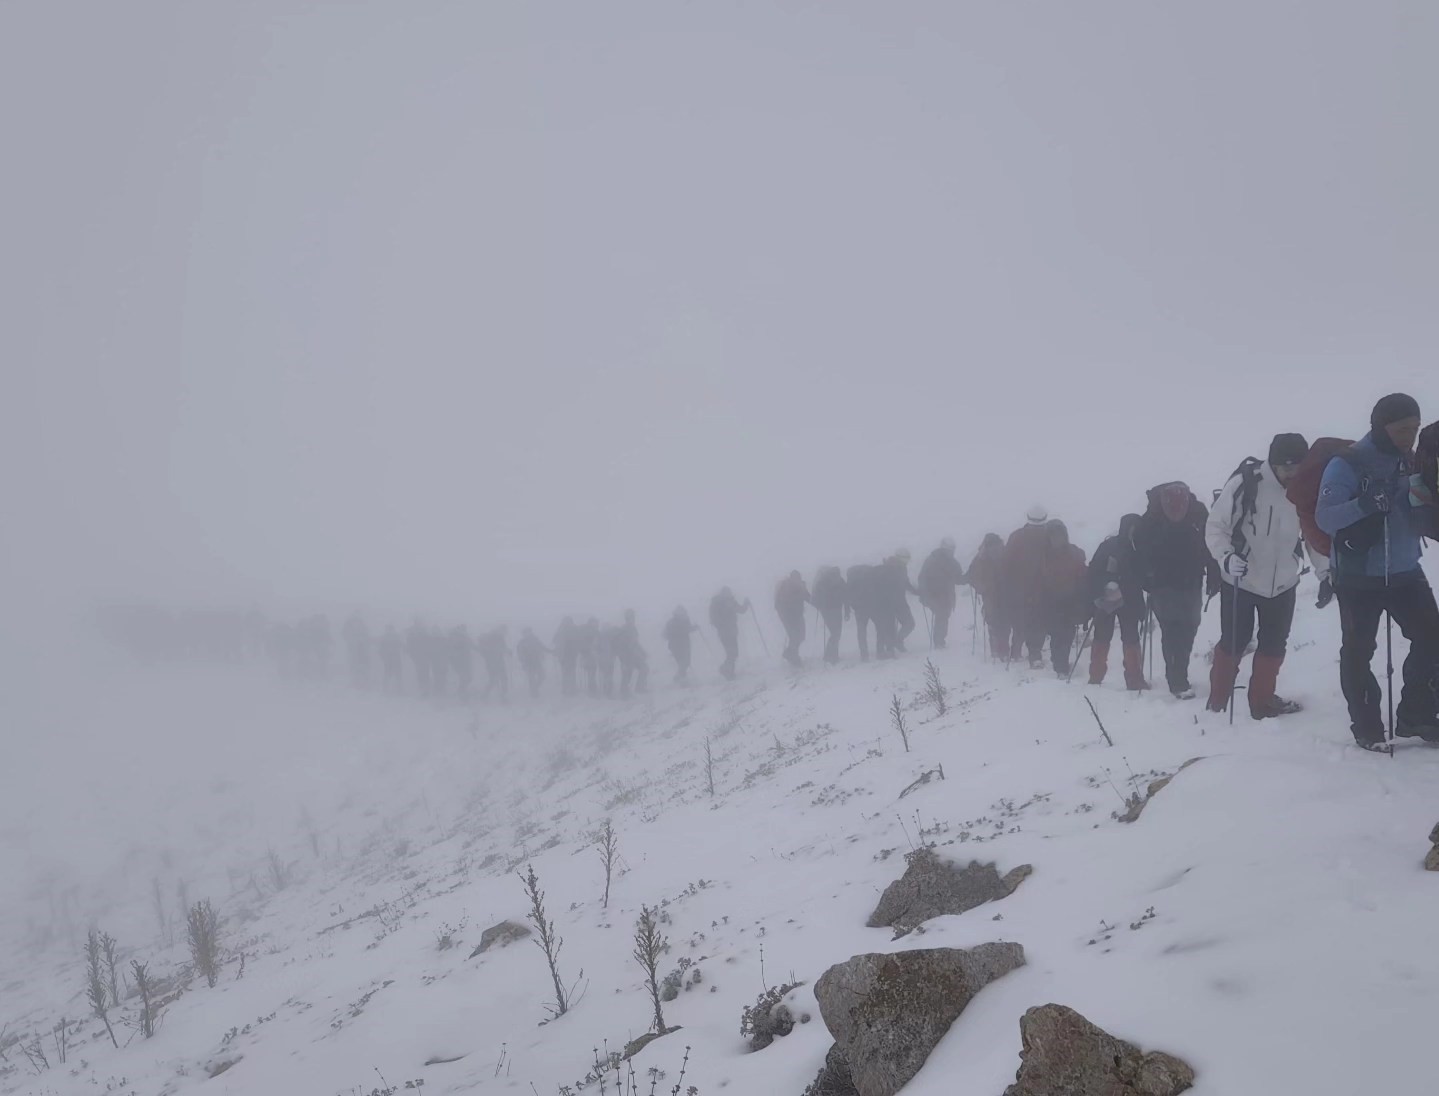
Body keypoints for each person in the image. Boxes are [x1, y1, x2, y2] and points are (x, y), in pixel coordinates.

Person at [1315, 394, 1439, 750]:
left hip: (1404, 570)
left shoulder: (1409, 461)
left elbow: (1416, 504)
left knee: (1433, 640)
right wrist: (1364, 505)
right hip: (1357, 577)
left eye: (1414, 429)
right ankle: (1367, 727)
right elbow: (1326, 517)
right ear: (1380, 426)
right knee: (1358, 651)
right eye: (1402, 429)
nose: (1409, 436)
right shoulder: (1347, 463)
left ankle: (1416, 715)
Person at [1205, 433, 1320, 719]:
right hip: (1241, 579)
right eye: (1287, 468)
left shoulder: (1305, 487)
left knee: (1274, 644)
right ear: (1274, 463)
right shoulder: (1247, 483)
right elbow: (1216, 527)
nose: (1292, 476)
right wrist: (1226, 557)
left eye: (1298, 468)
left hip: (1283, 583)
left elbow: (1312, 533)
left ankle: (1262, 703)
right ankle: (1217, 703)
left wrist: (1325, 570)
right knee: (1234, 641)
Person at [1134, 483, 1218, 699]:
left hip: (1191, 580)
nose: (1176, 512)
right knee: (1172, 629)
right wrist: (1147, 577)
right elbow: (1141, 551)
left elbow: (1209, 543)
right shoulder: (1151, 519)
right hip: (1163, 584)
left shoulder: (1198, 513)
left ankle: (1179, 671)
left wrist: (1213, 572)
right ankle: (1177, 680)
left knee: (1189, 627)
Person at [1086, 515, 1148, 689]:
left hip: (1121, 598)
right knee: (1109, 637)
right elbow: (1094, 571)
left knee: (1127, 638)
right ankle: (1100, 677)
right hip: (1113, 597)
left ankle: (1129, 678)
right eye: (1132, 527)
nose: (1134, 531)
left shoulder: (1135, 547)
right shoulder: (1119, 547)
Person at [1003, 507, 1053, 666]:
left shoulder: (1016, 537)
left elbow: (1006, 564)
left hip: (1019, 589)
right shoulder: (1049, 537)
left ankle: (1016, 651)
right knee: (1037, 622)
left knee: (1021, 621)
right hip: (1042, 588)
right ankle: (1034, 655)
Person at [1038, 520, 1088, 677]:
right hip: (1050, 601)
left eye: (1059, 536)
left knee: (1067, 634)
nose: (1057, 539)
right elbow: (1036, 578)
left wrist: (1082, 595)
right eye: (1053, 536)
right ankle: (1060, 665)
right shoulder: (1042, 556)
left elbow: (1082, 574)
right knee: (1056, 633)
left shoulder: (1074, 553)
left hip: (1070, 601)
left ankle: (1061, 663)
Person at [917, 538, 967, 649]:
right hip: (937, 595)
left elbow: (922, 577)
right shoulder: (946, 561)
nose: (952, 551)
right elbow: (959, 579)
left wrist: (923, 592)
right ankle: (939, 641)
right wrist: (968, 578)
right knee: (942, 616)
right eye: (951, 549)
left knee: (943, 616)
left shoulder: (932, 559)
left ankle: (939, 641)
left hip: (941, 594)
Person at [966, 533, 1009, 659]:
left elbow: (972, 576)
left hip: (990, 594)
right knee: (1003, 621)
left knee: (994, 622)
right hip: (1003, 592)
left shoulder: (980, 558)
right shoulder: (1005, 553)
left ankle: (997, 649)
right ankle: (1003, 649)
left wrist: (981, 588)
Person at [845, 563, 889, 661]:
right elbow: (881, 590)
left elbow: (847, 595)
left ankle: (864, 655)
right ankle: (880, 652)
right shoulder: (873, 575)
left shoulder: (852, 580)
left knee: (861, 631)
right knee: (880, 628)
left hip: (860, 608)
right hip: (874, 606)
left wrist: (848, 610)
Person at [879, 549, 919, 653]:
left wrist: (916, 591)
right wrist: (916, 591)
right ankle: (896, 642)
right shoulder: (896, 568)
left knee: (893, 625)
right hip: (897, 602)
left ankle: (893, 644)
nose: (908, 561)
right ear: (902, 558)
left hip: (889, 602)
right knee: (909, 623)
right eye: (907, 559)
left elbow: (904, 583)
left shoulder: (895, 567)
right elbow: (904, 583)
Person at [709, 587, 751, 679]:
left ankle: (728, 671)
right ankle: (727, 671)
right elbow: (714, 619)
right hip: (725, 632)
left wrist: (746, 604)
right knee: (731, 653)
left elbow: (741, 610)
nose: (728, 594)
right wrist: (724, 625)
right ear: (722, 593)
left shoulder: (730, 601)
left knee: (734, 653)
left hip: (732, 631)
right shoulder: (718, 603)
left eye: (729, 592)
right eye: (726, 592)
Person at [774, 571, 811, 666]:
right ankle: (794, 657)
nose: (797, 579)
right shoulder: (787, 587)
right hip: (788, 616)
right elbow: (782, 603)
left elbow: (807, 597)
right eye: (795, 577)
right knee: (795, 636)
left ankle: (789, 653)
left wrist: (818, 603)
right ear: (791, 578)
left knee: (800, 636)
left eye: (798, 577)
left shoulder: (801, 586)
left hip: (796, 615)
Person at [811, 566, 847, 664]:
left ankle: (832, 655)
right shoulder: (838, 581)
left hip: (829, 610)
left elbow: (845, 595)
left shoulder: (825, 582)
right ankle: (831, 656)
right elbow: (845, 595)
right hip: (831, 609)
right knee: (836, 633)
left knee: (836, 633)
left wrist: (820, 605)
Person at [615, 610, 649, 697]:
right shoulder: (623, 629)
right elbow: (619, 645)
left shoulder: (633, 628)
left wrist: (642, 652)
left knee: (644, 668)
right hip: (626, 656)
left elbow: (636, 642)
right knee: (627, 674)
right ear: (627, 619)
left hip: (634, 654)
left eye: (633, 618)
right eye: (631, 618)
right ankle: (624, 692)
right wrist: (622, 658)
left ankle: (639, 687)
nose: (633, 619)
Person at [663, 607, 699, 682]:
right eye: (682, 612)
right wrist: (693, 628)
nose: (684, 614)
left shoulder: (684, 620)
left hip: (683, 645)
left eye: (684, 612)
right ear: (677, 614)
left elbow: (686, 629)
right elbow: (684, 630)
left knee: (685, 663)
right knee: (684, 662)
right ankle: (679, 678)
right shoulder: (673, 622)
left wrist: (694, 628)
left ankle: (682, 679)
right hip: (676, 645)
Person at [476, 625, 510, 702]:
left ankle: (487, 695)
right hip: (495, 662)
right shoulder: (496, 638)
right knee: (499, 679)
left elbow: (502, 648)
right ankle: (501, 696)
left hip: (493, 662)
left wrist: (507, 651)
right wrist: (507, 651)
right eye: (505, 631)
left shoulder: (499, 638)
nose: (505, 633)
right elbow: (499, 648)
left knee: (497, 679)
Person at [516, 627, 551, 699]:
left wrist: (551, 651)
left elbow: (542, 647)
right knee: (531, 678)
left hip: (537, 661)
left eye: (528, 632)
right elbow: (519, 653)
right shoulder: (522, 642)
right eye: (525, 633)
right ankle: (534, 693)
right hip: (528, 663)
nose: (527, 634)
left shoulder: (535, 640)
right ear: (523, 634)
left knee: (542, 676)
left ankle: (534, 689)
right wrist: (522, 661)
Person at [553, 617, 581, 695]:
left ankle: (568, 690)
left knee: (567, 672)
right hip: (566, 655)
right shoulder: (572, 629)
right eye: (566, 621)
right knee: (569, 672)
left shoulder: (561, 629)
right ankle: (569, 690)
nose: (567, 623)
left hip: (568, 654)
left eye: (568, 621)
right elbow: (555, 640)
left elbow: (554, 640)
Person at [343, 614, 371, 688]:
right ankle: (356, 682)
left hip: (359, 650)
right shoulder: (352, 627)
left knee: (359, 665)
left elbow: (366, 636)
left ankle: (360, 682)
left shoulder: (360, 627)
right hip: (356, 650)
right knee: (355, 665)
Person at [406, 619, 433, 696]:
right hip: (419, 657)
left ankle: (425, 690)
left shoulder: (420, 633)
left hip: (423, 657)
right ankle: (424, 690)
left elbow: (429, 644)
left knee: (423, 673)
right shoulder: (414, 634)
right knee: (422, 673)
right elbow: (409, 646)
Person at [577, 617, 601, 696]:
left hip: (588, 655)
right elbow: (591, 643)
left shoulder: (591, 631)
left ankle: (592, 689)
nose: (596, 625)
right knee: (591, 672)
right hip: (588, 655)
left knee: (591, 672)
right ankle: (592, 690)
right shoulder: (591, 632)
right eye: (594, 623)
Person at [449, 624, 474, 697]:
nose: (464, 630)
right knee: (465, 677)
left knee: (468, 677)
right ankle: (461, 693)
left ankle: (461, 691)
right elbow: (453, 649)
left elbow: (472, 645)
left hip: (466, 661)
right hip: (459, 661)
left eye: (464, 629)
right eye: (462, 629)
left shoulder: (466, 637)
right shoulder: (456, 637)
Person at [378, 624, 404, 693]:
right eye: (389, 629)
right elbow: (380, 650)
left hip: (396, 658)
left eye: (391, 629)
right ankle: (386, 690)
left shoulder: (396, 637)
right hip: (389, 659)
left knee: (397, 674)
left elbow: (401, 645)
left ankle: (398, 689)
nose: (390, 631)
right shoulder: (384, 638)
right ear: (387, 630)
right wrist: (384, 657)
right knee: (388, 674)